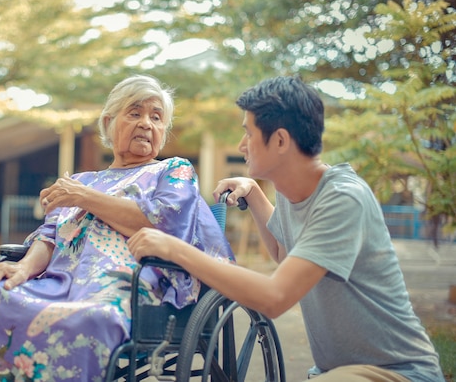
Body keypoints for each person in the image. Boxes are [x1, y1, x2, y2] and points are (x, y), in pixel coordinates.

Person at [128, 76, 444, 382]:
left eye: (248, 134)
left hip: (396, 371)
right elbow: (283, 252)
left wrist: (175, 249)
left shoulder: (344, 199)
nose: (241, 145)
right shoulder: (293, 189)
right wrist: (254, 193)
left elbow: (276, 297)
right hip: (339, 371)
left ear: (279, 140)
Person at [0, 74, 234, 381]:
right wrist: (23, 268)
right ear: (109, 122)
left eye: (156, 117)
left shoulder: (172, 170)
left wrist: (84, 197)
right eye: (134, 113)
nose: (146, 124)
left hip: (127, 286)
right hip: (61, 282)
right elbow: (51, 236)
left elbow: (162, 223)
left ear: (164, 131)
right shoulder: (82, 181)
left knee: (87, 319)